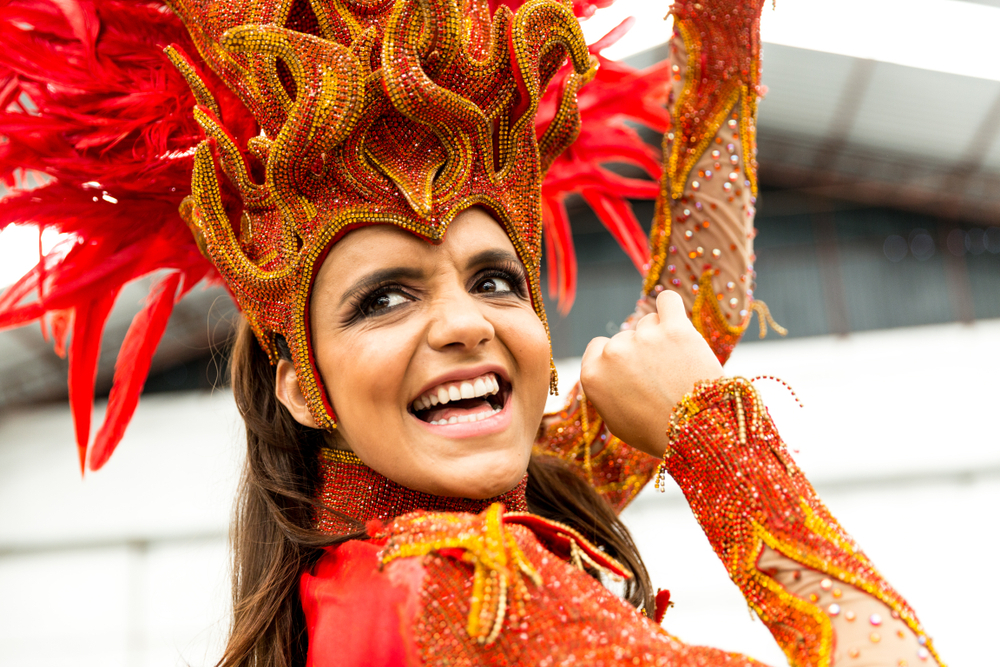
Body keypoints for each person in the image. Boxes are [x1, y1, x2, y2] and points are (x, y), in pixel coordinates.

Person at [0, 0, 945, 666]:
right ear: (299, 381)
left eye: (496, 280)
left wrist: (721, 27)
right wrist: (718, 440)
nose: (464, 324)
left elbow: (694, 314)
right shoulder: (465, 587)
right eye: (383, 299)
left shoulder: (353, 573)